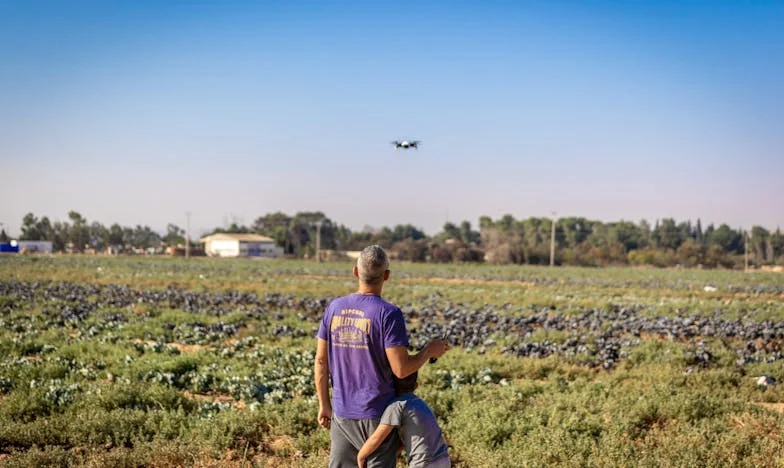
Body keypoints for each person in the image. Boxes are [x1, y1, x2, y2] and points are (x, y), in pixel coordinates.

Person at [315, 245, 449, 468]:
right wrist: (428, 351)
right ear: (386, 275)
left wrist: (324, 404)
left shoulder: (334, 308)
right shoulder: (388, 314)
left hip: (342, 413)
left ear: (356, 272)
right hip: (378, 415)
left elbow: (321, 361)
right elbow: (401, 369)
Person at [356, 372, 450, 468]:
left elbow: (376, 438)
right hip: (443, 458)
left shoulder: (396, 405)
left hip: (424, 463)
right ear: (416, 386)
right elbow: (411, 437)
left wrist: (361, 456)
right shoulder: (418, 402)